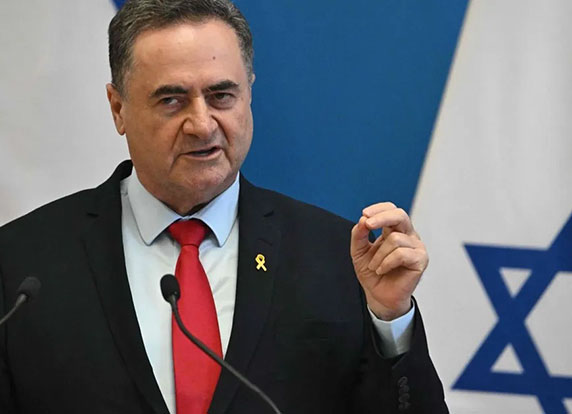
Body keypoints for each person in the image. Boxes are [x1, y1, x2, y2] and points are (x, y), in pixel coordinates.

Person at [0, 0, 448, 413]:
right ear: (118, 108)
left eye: (221, 96)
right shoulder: (22, 265)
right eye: (172, 100)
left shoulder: (336, 258)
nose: (201, 124)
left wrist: (390, 321)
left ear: (248, 94)